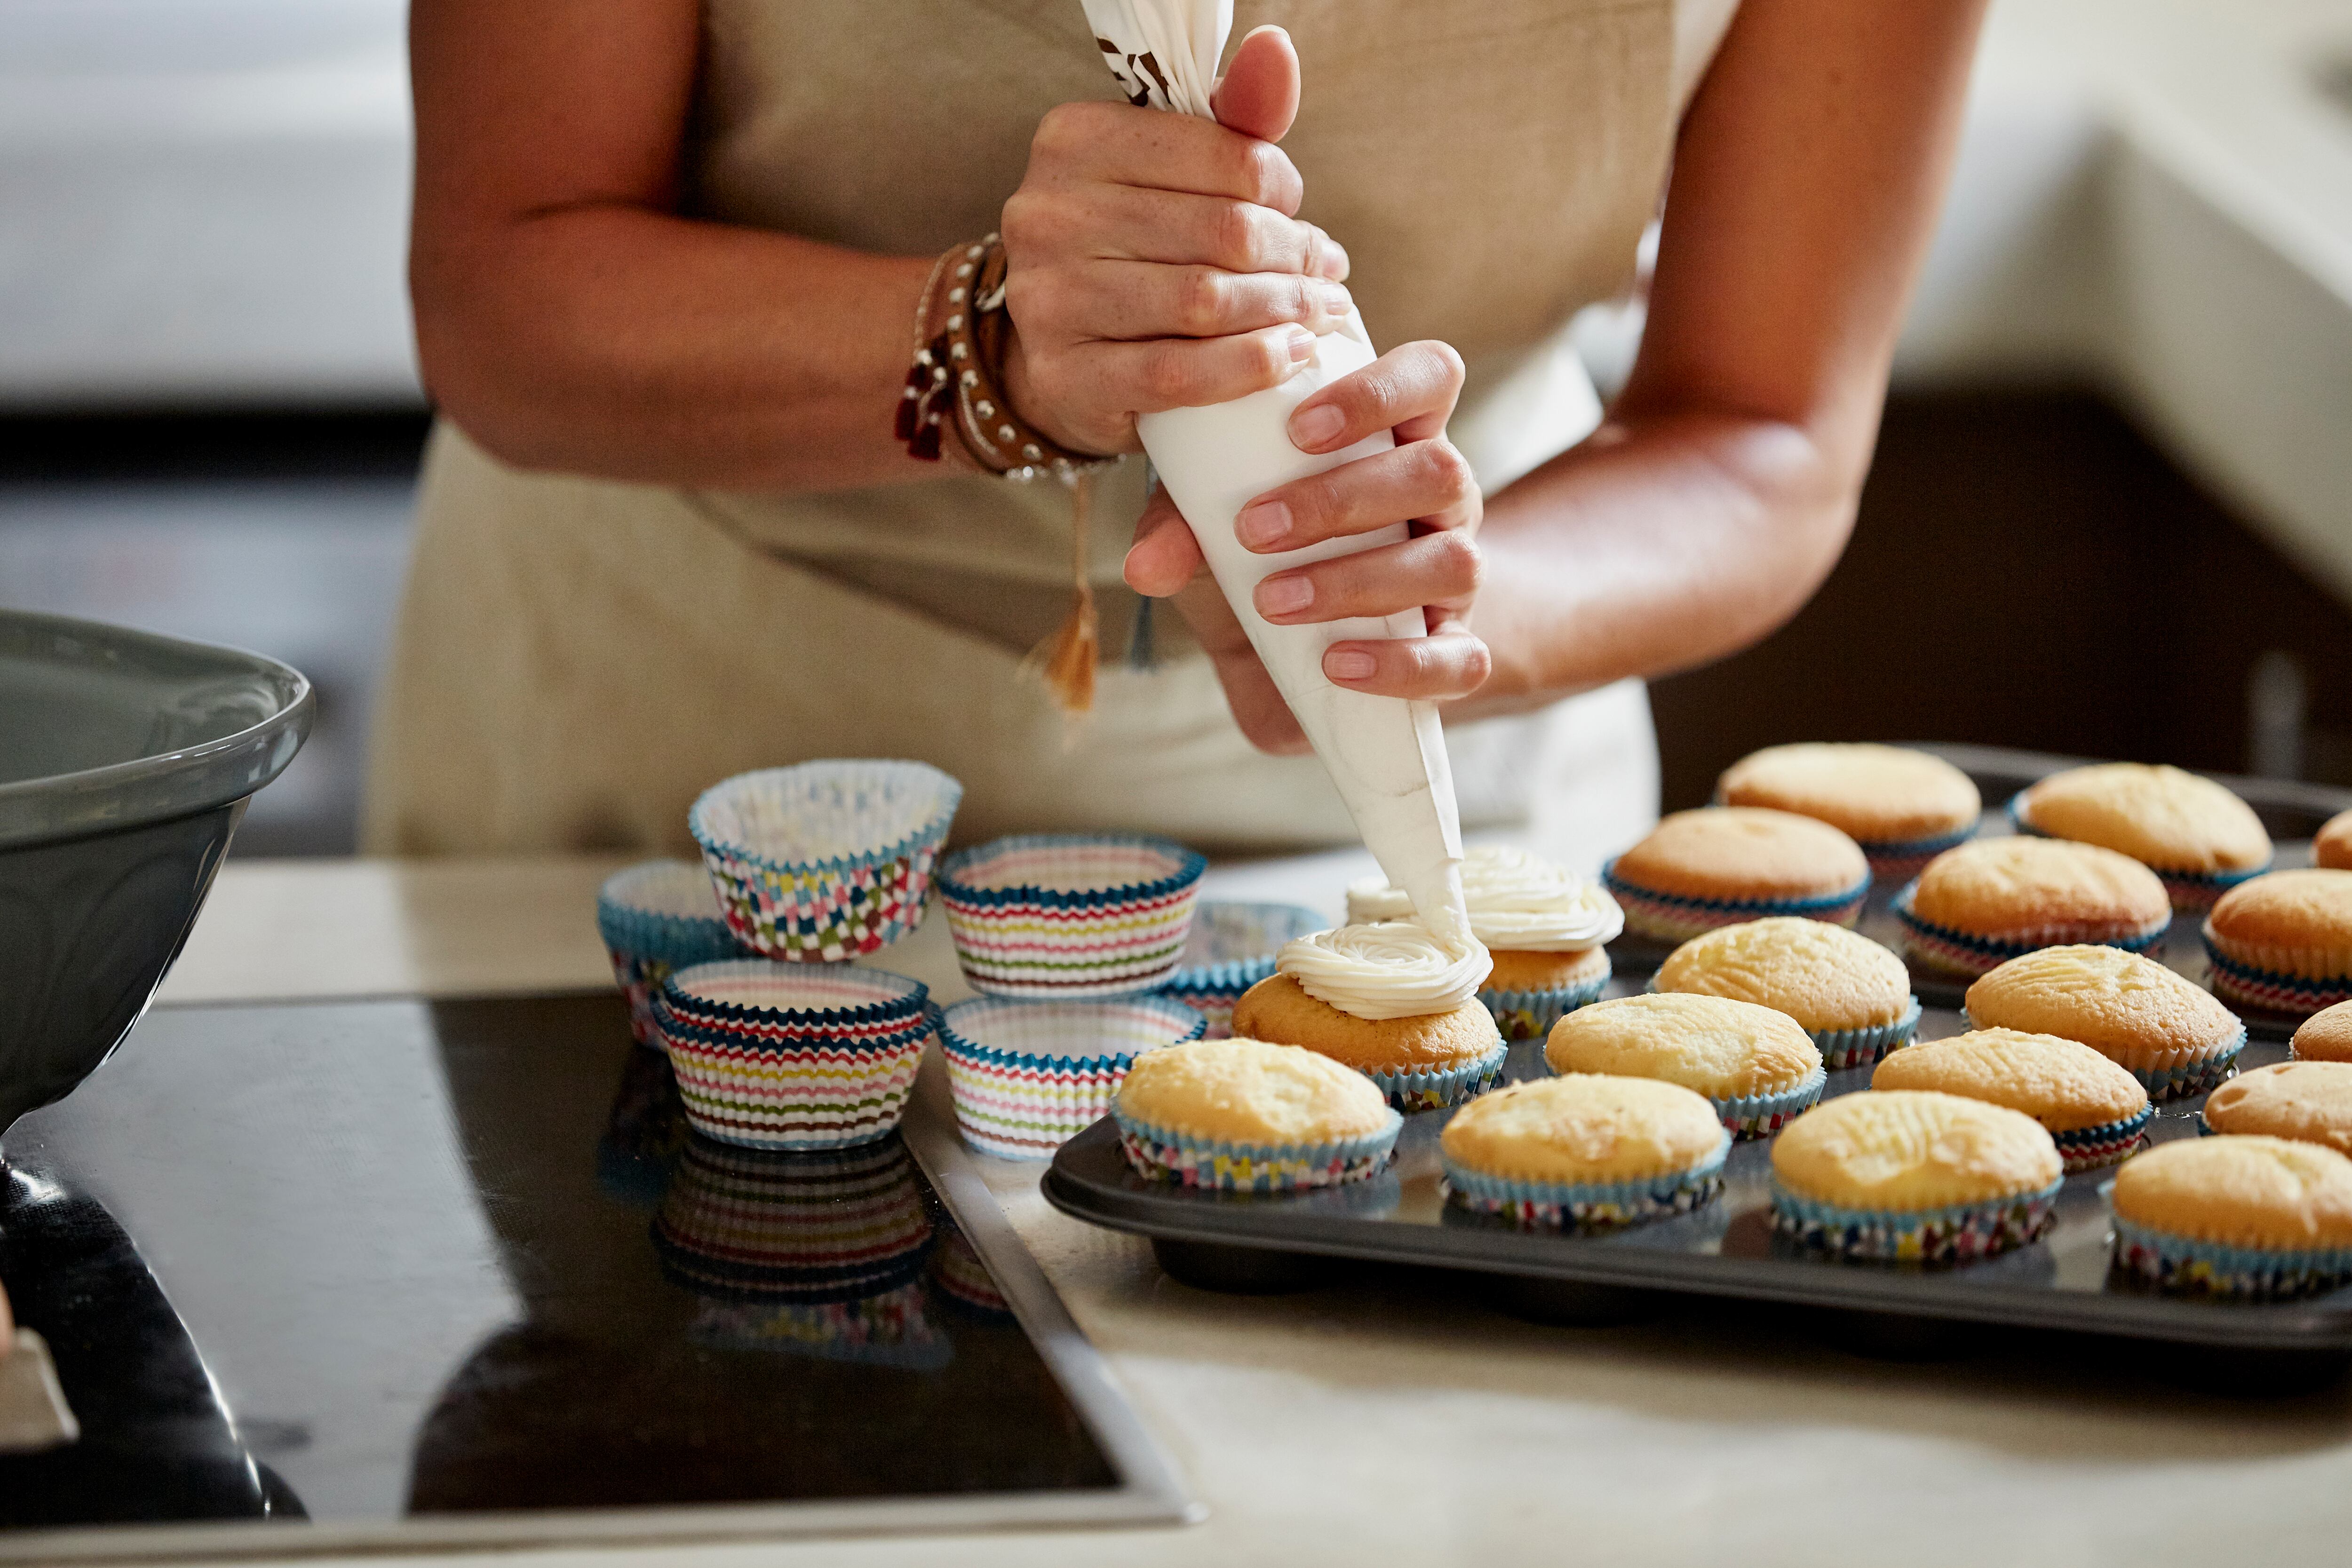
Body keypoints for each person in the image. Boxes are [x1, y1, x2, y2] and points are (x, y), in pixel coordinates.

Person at [366, 1, 1989, 873]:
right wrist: (988, 347)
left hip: (1443, 813)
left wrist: (1418, 605)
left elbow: (1761, 427)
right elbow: (505, 283)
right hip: (695, 778)